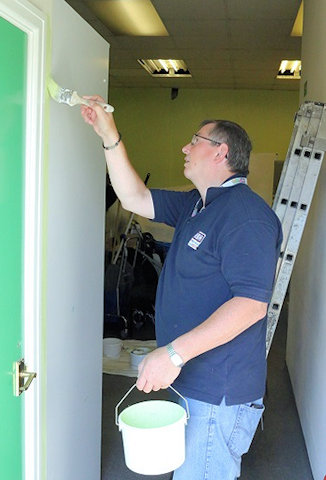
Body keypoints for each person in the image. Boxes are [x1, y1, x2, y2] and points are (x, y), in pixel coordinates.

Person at [81, 97, 282, 480]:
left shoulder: (246, 216)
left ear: (221, 152)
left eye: (195, 141)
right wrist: (109, 136)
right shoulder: (198, 204)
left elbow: (252, 305)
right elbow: (134, 198)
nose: (184, 148)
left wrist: (172, 354)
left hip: (217, 390)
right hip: (193, 380)